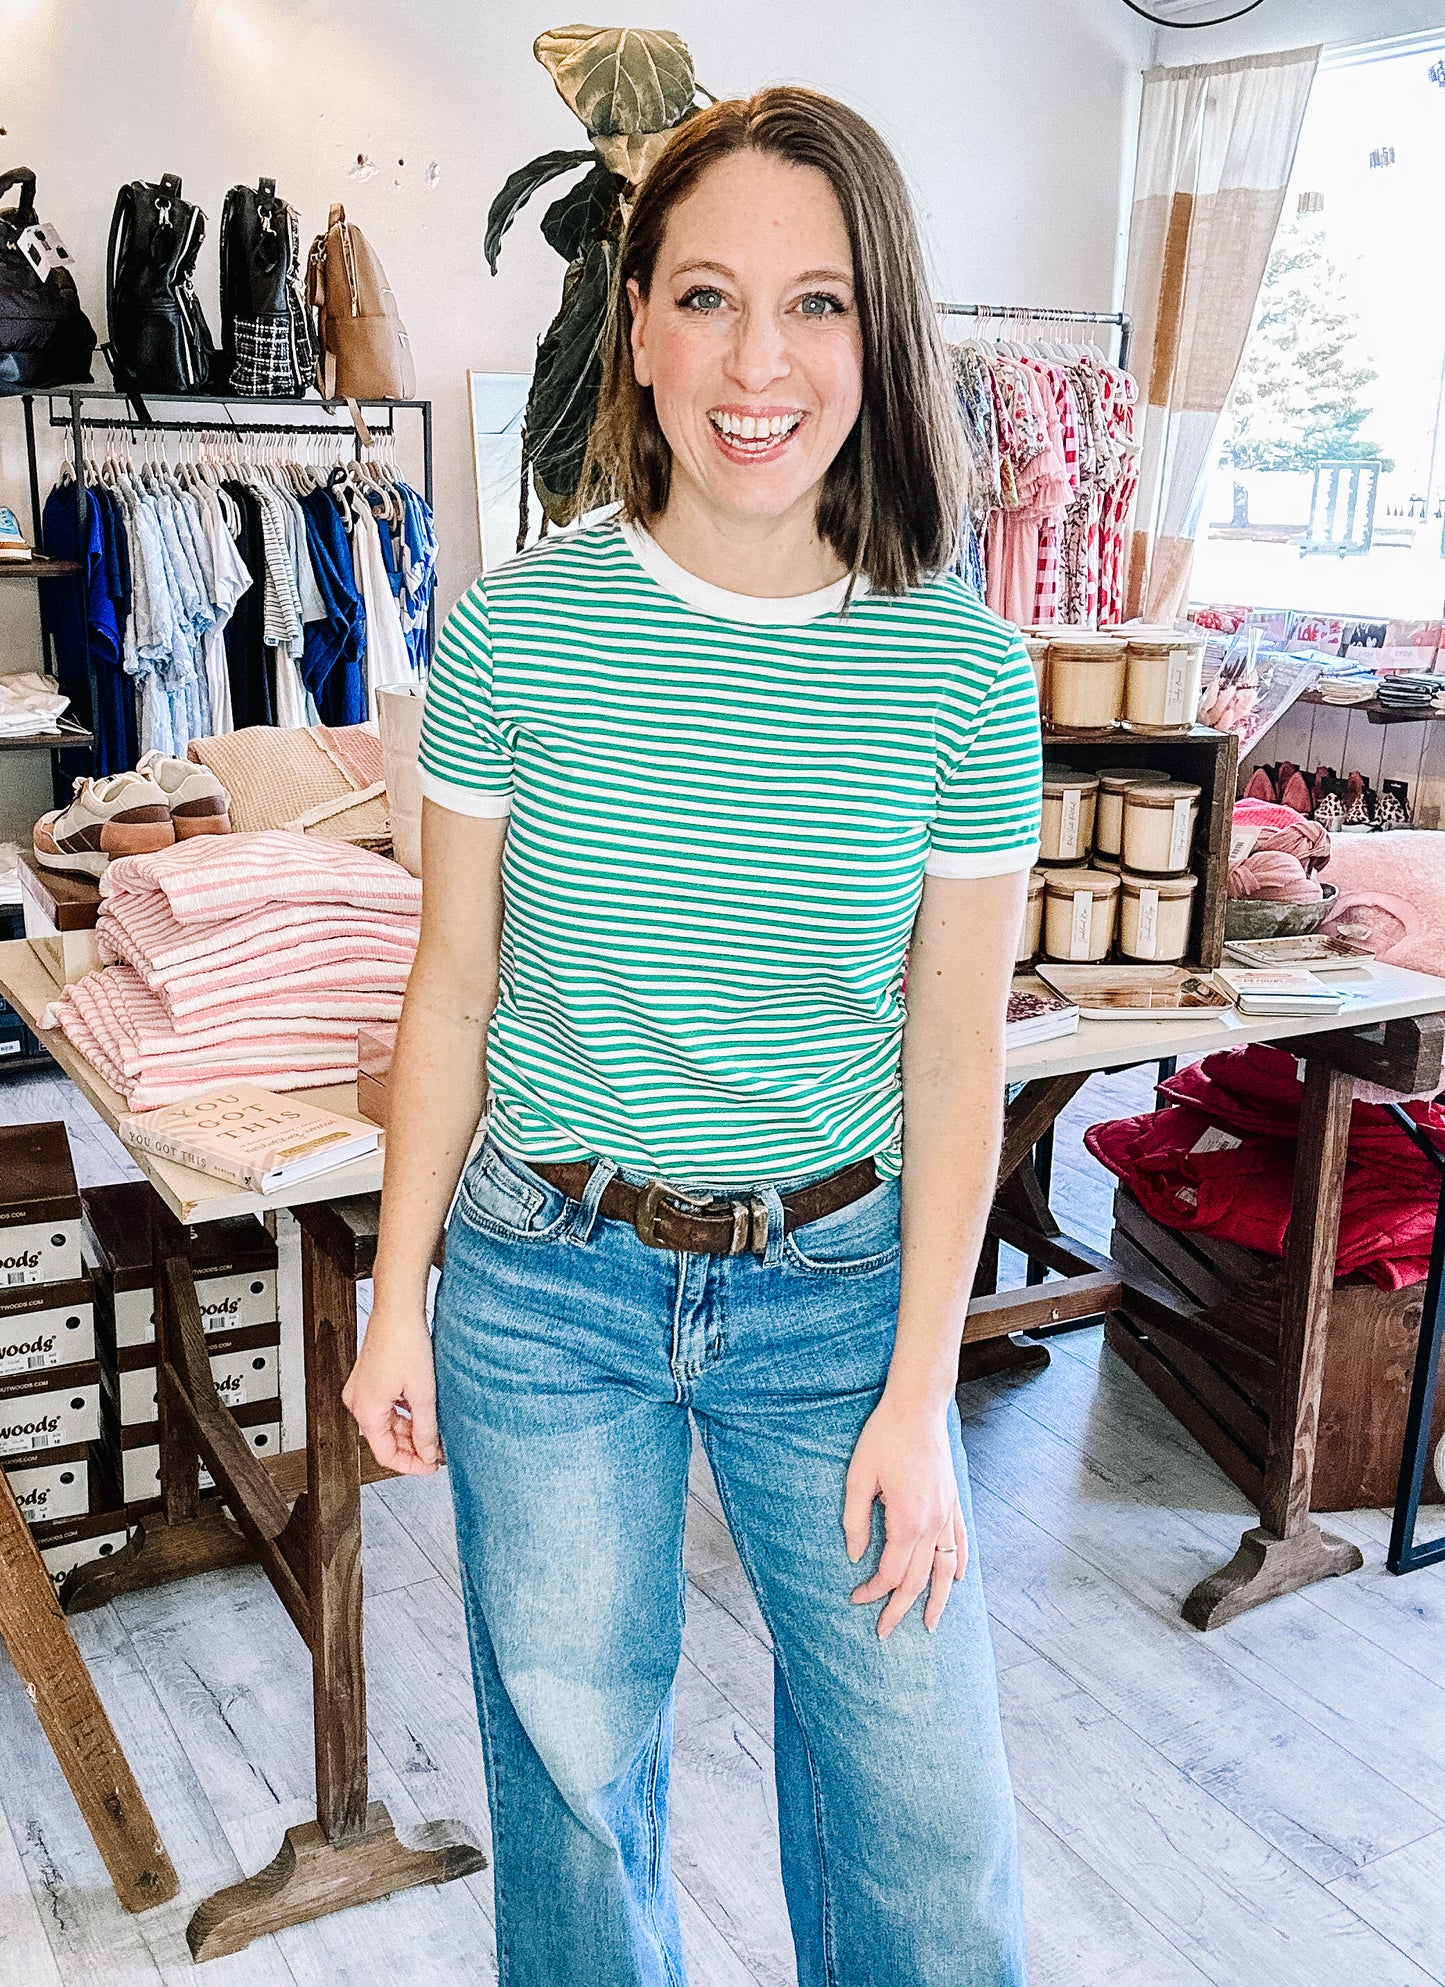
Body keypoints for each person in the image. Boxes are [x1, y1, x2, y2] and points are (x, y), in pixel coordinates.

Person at [344, 84, 1041, 1987]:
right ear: (633, 323)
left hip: (836, 1293)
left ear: (877, 336)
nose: (759, 362)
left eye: (817, 304)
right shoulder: (510, 638)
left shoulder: (962, 673)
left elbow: (955, 1054)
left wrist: (922, 1390)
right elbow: (454, 990)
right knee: (574, 1794)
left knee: (926, 1826)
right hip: (543, 1287)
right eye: (709, 296)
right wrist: (392, 1295)